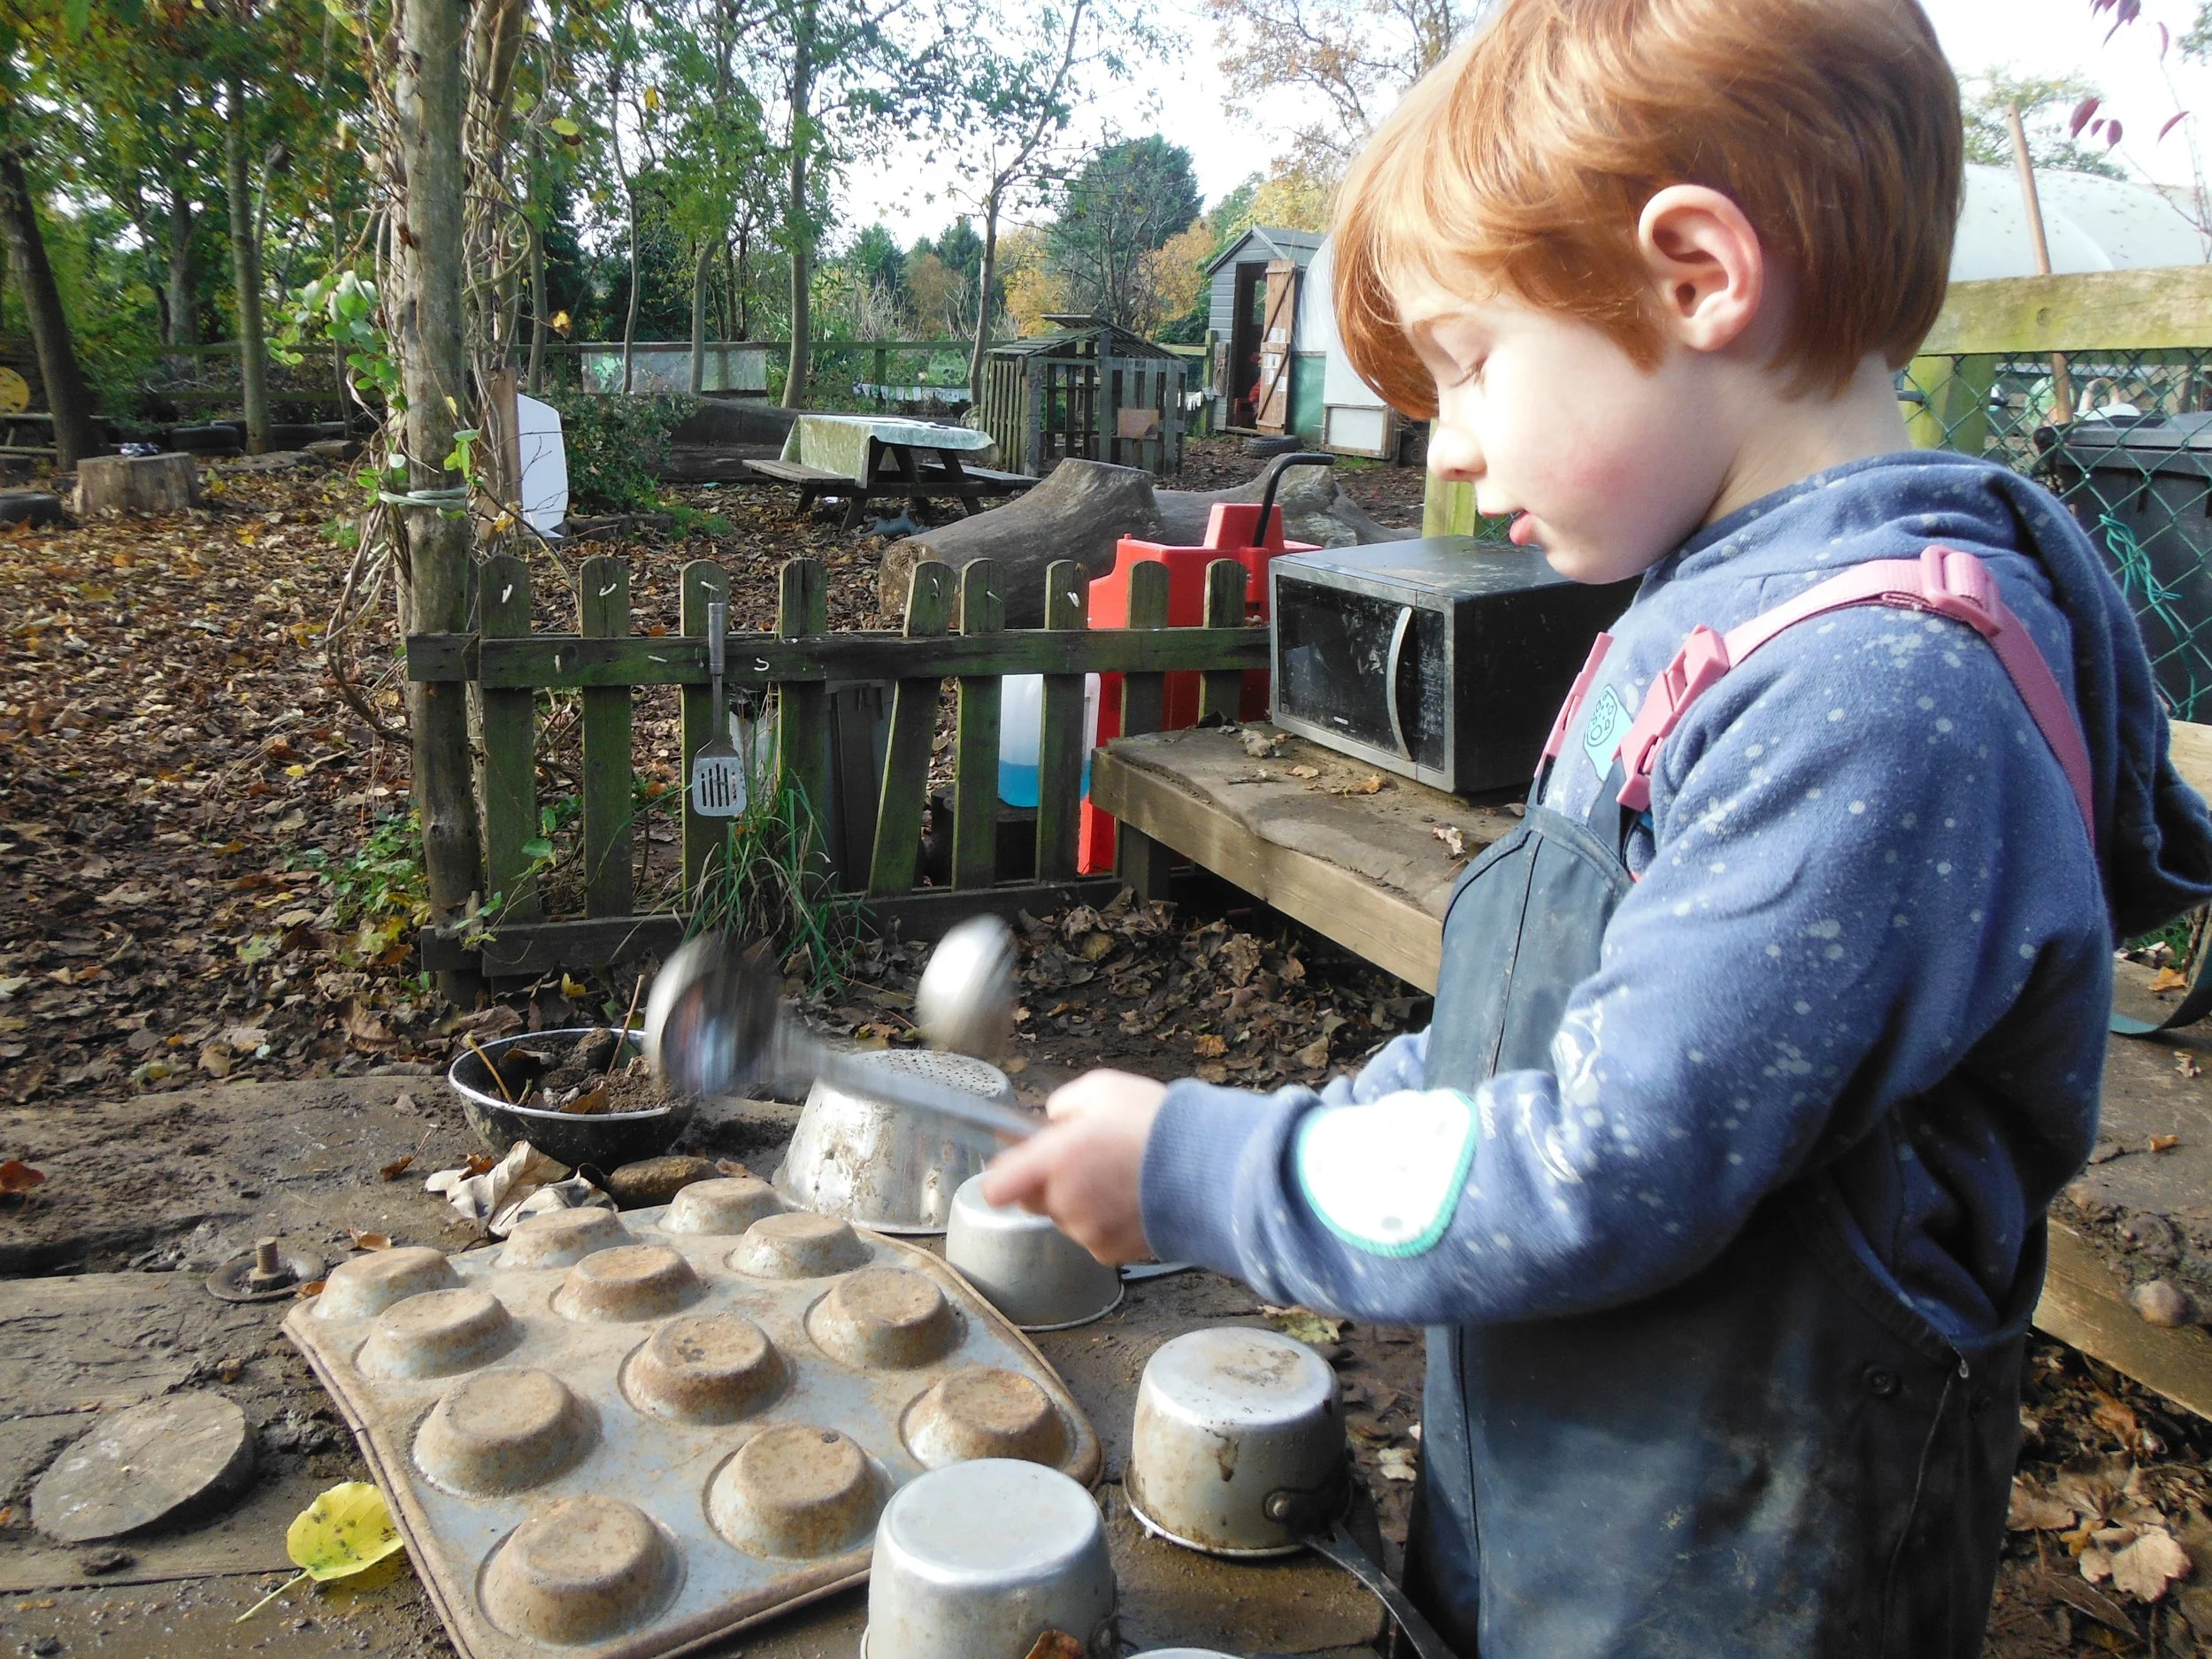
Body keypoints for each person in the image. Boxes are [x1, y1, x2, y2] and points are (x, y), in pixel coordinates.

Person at [981, 0, 2212, 1653]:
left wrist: (1211, 1173)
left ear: (1697, 272)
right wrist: (1251, 1123)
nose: (1453, 446)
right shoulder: (1704, 628)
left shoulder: (1875, 706)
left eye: (1471, 362)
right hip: (1581, 1488)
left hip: (1741, 1569)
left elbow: (1597, 1160)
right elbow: (1523, 1061)